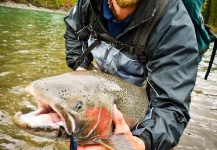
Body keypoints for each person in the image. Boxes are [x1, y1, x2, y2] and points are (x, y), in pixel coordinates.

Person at [64, 0, 199, 149]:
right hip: (93, 103)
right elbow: (73, 28)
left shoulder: (174, 25)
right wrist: (81, 67)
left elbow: (170, 108)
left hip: (139, 123)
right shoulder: (88, 4)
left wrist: (139, 143)